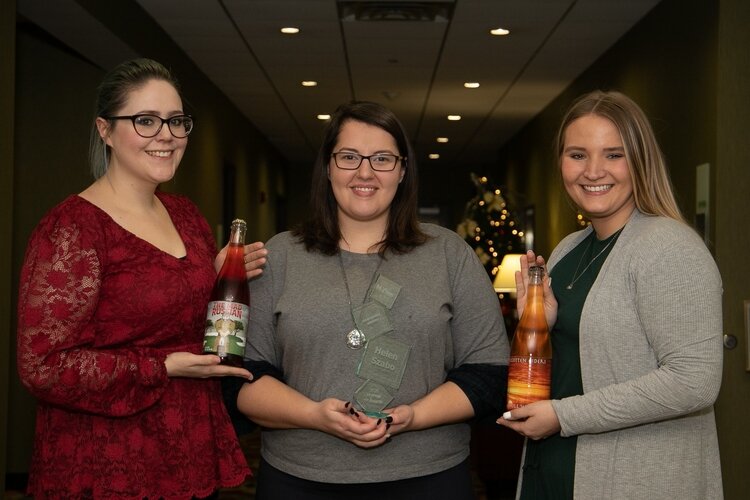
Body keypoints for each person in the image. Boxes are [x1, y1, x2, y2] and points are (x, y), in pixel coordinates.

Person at [224, 101, 509, 499]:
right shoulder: (280, 255)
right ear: (327, 167)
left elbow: (489, 375)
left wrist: (413, 417)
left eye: (382, 158)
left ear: (403, 170)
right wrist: (315, 416)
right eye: (348, 157)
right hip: (299, 479)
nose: (365, 172)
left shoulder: (449, 253)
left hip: (429, 478)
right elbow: (241, 378)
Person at [16, 58, 267, 499]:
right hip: (108, 458)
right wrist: (161, 367)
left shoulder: (186, 216)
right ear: (105, 130)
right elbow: (43, 367)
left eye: (176, 121)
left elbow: (166, 313)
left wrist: (214, 278)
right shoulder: (75, 227)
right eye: (146, 121)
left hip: (185, 445)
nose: (166, 136)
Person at [497, 90, 723, 499]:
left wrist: (563, 416)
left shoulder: (669, 247)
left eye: (614, 155)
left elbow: (695, 381)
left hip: (635, 478)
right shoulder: (568, 248)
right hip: (553, 468)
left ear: (640, 161)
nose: (593, 170)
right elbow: (585, 357)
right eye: (578, 155)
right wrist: (542, 324)